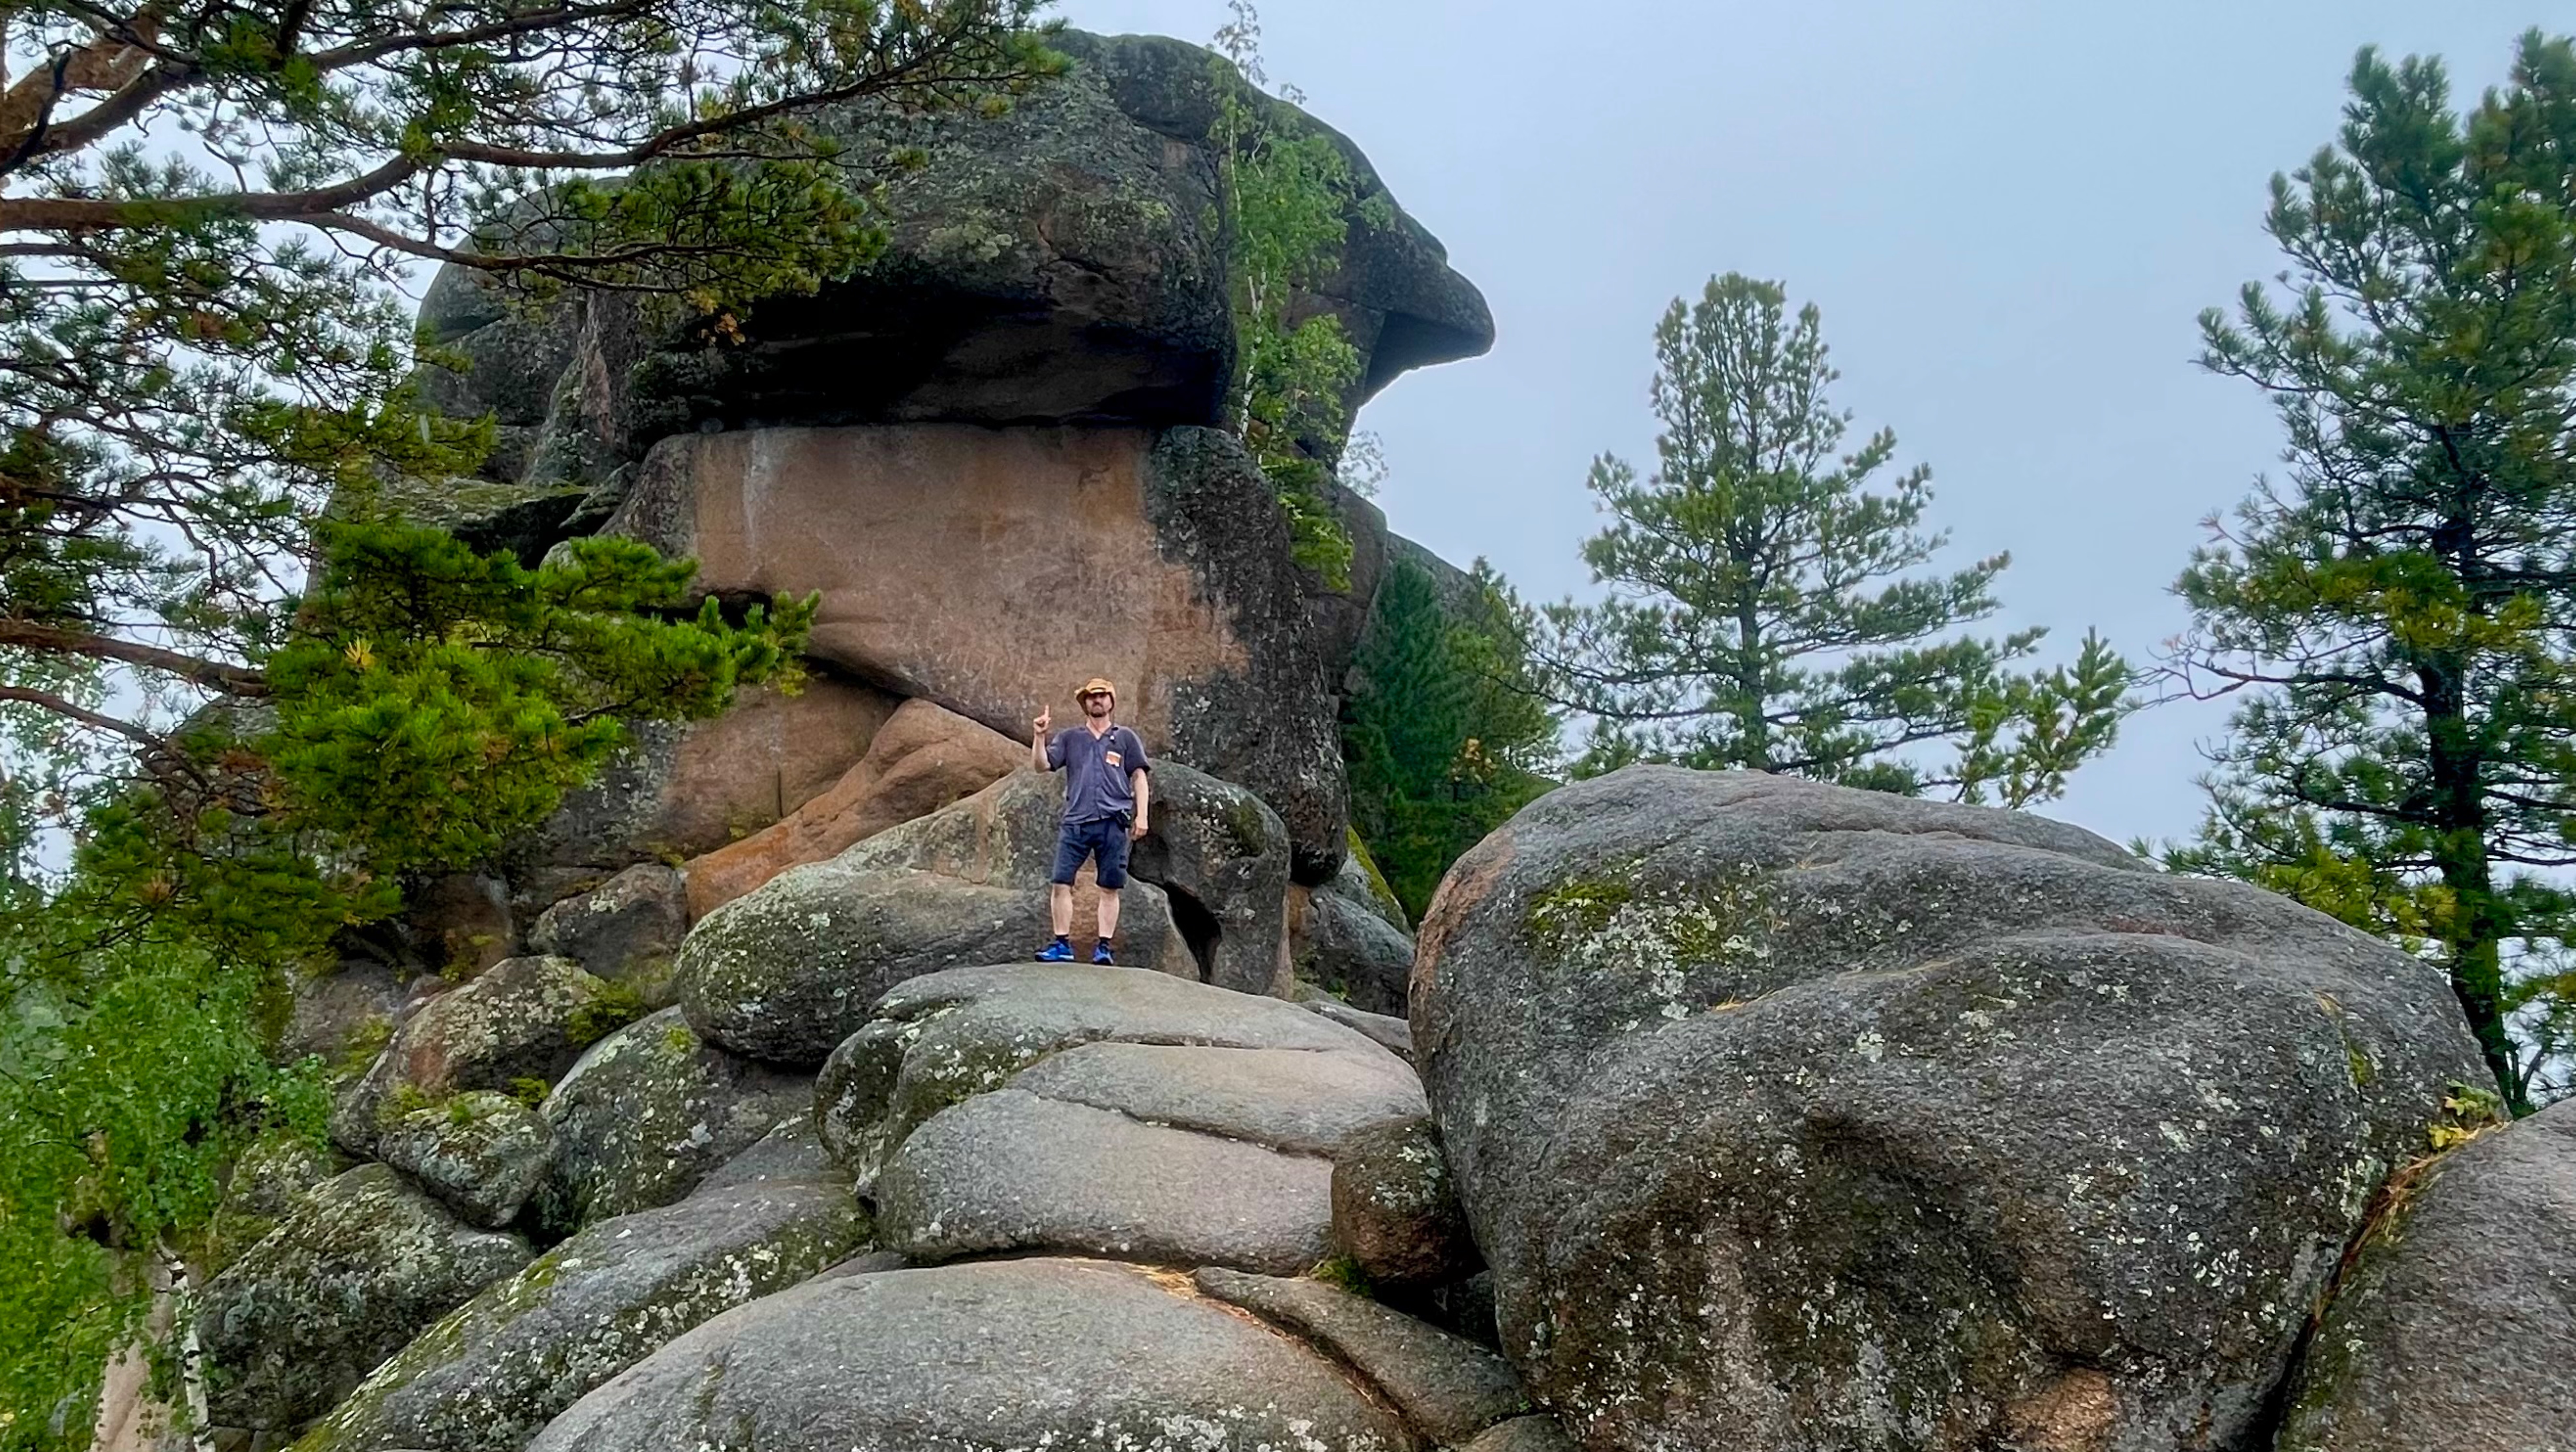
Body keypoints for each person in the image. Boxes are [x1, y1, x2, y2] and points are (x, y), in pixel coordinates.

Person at [1032, 677, 1151, 964]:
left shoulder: (1125, 738)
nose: (1096, 701)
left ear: (1111, 701)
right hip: (1077, 820)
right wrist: (1039, 736)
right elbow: (1042, 766)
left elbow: (1139, 777)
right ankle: (1061, 944)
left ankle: (1104, 948)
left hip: (1113, 820)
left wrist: (1143, 815)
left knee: (1109, 887)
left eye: (1102, 696)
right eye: (1091, 697)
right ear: (1084, 703)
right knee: (1061, 882)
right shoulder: (1070, 738)